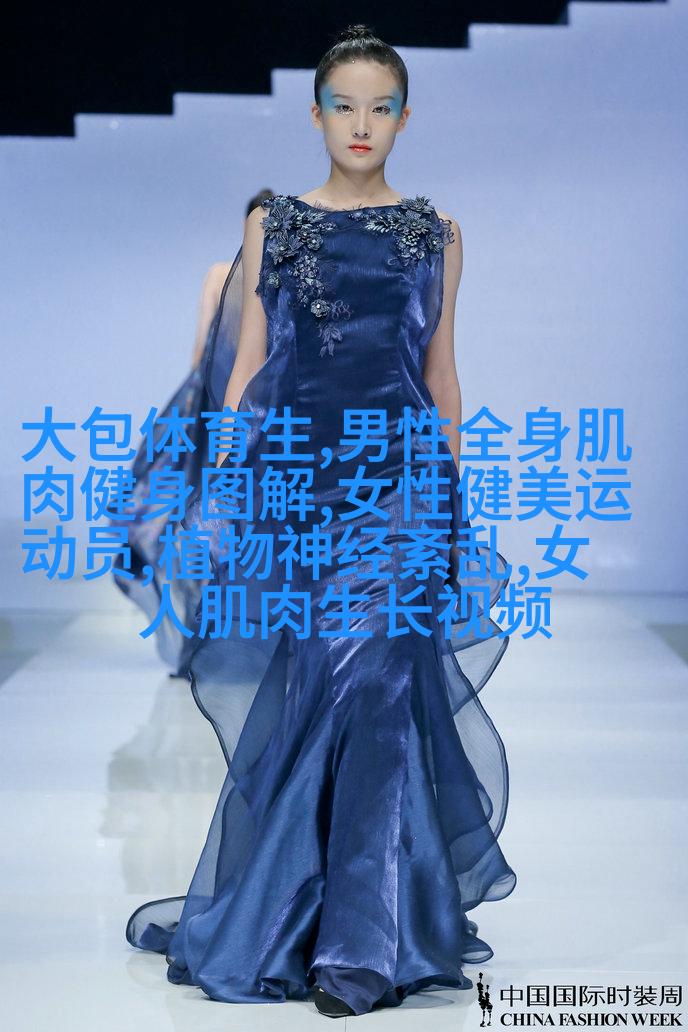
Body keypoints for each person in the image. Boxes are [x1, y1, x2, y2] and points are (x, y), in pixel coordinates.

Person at [125, 23, 517, 1018]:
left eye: (380, 106)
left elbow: (441, 373)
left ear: (404, 118)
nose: (361, 123)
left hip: (402, 487)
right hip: (302, 486)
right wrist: (224, 488)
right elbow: (252, 366)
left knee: (380, 683)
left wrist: (450, 497)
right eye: (344, 105)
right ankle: (305, 913)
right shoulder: (279, 225)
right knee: (318, 689)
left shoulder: (437, 232)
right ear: (315, 114)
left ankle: (361, 946)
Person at [107, 189, 274, 677]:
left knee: (203, 524)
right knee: (244, 527)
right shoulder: (271, 278)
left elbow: (201, 351)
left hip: (215, 410)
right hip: (251, 411)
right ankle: (235, 647)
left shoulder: (221, 274)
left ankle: (205, 645)